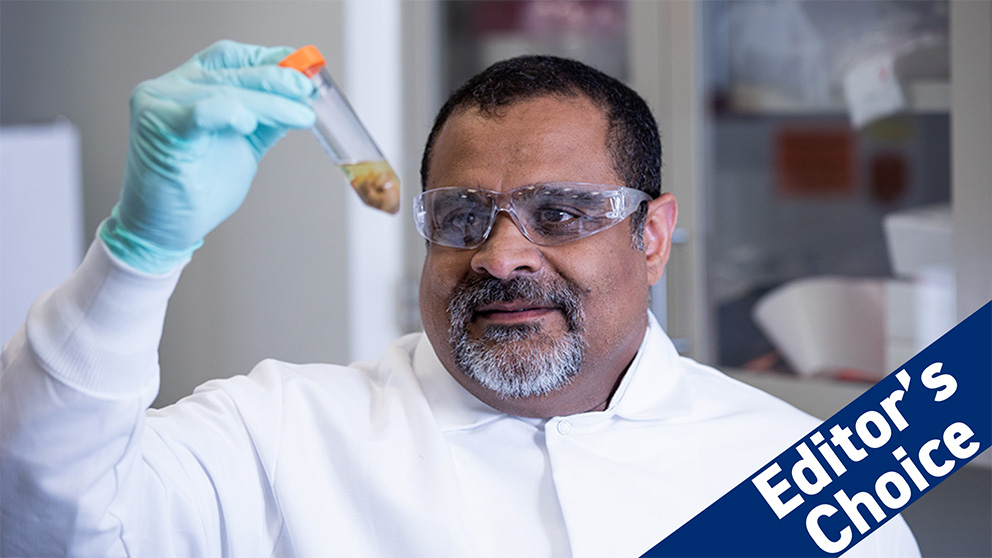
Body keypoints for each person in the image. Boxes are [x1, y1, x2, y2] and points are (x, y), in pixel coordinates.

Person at [0, 41, 918, 557]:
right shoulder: (280, 434)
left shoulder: (798, 467)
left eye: (560, 212)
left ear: (651, 234)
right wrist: (139, 250)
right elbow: (44, 516)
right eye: (462, 215)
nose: (501, 255)